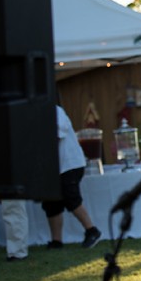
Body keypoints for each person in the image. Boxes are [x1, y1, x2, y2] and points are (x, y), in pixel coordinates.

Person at [47, 105, 102, 249]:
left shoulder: (56, 111)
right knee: (51, 202)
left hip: (70, 163)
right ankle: (56, 241)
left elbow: (58, 134)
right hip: (53, 167)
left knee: (71, 198)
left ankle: (92, 230)